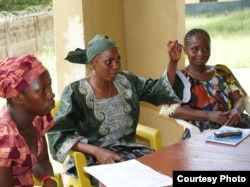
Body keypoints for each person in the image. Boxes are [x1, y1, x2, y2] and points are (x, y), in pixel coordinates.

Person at [47, 34, 189, 186]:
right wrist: (97, 151)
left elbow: (157, 91)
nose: (116, 66)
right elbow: (58, 134)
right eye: (108, 62)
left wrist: (173, 62)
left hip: (131, 152)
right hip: (95, 160)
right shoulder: (76, 92)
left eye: (118, 60)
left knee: (169, 174)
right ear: (92, 63)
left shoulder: (126, 81)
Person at [160, 28, 250, 139]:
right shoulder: (181, 77)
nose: (201, 54)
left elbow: (239, 98)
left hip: (235, 127)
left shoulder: (222, 71)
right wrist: (208, 115)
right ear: (185, 50)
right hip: (202, 134)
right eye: (195, 49)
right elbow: (170, 110)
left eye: (206, 49)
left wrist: (236, 111)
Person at [0, 54, 58, 187]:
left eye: (50, 85)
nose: (51, 94)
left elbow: (41, 160)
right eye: (42, 90)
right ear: (18, 98)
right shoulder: (4, 136)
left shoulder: (38, 116)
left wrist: (48, 180)